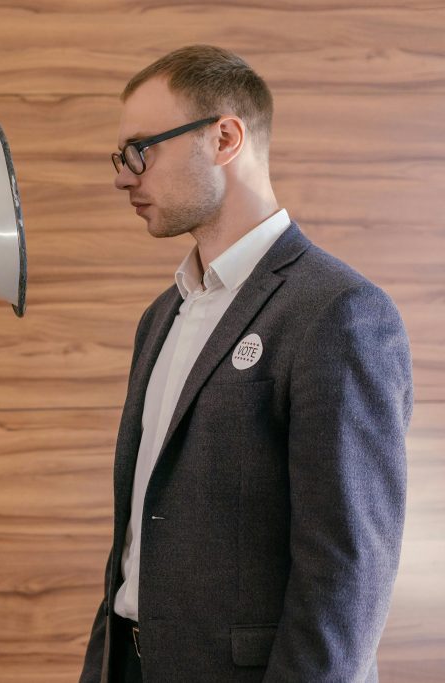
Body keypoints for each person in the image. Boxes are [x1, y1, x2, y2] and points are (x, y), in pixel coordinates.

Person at [79, 46, 412, 682]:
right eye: (121, 158)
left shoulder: (340, 312)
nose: (124, 177)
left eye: (140, 150)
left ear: (225, 138)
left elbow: (348, 576)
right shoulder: (162, 316)